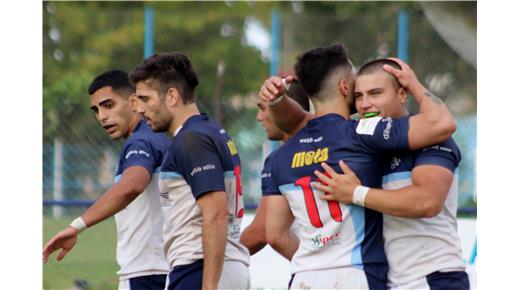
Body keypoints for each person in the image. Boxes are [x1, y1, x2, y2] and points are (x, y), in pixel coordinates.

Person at [259, 44, 456, 289]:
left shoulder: (281, 155)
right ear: (344, 87)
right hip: (357, 275)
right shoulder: (362, 133)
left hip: (303, 277)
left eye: (373, 93)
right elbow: (441, 123)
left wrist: (277, 99)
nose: (363, 103)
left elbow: (275, 235)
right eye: (357, 91)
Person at [314, 58, 469, 289]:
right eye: (359, 96)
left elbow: (426, 202)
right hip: (389, 282)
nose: (365, 104)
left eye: (375, 93)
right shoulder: (366, 143)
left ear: (403, 94)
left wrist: (356, 193)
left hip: (435, 278)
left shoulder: (434, 137)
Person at [130, 52, 250, 290]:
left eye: (146, 99)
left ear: (172, 96)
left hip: (199, 268)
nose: (140, 110)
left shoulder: (191, 140)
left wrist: (208, 287)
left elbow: (215, 213)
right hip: (224, 266)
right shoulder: (212, 131)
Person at [42, 70, 170, 290]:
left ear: (133, 101)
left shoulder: (140, 142)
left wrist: (76, 226)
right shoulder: (158, 138)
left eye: (108, 105)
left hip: (145, 274)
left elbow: (132, 185)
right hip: (163, 270)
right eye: (96, 110)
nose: (101, 116)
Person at [240, 80, 310, 257]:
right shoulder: (333, 143)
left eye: (263, 108)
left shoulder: (282, 158)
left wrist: (212, 260)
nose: (259, 117)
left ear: (284, 108)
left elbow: (262, 233)